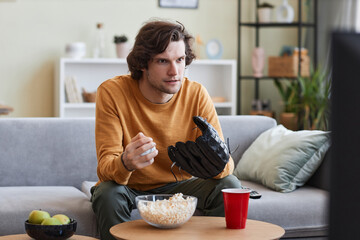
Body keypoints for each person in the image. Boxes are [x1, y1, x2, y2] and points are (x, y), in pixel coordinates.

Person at [91, 19, 242, 240]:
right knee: (107, 194)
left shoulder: (197, 94)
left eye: (180, 60)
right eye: (163, 61)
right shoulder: (112, 92)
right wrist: (125, 162)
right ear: (143, 64)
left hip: (182, 187)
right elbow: (105, 167)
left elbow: (227, 167)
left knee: (230, 184)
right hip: (130, 188)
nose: (174, 71)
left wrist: (217, 163)